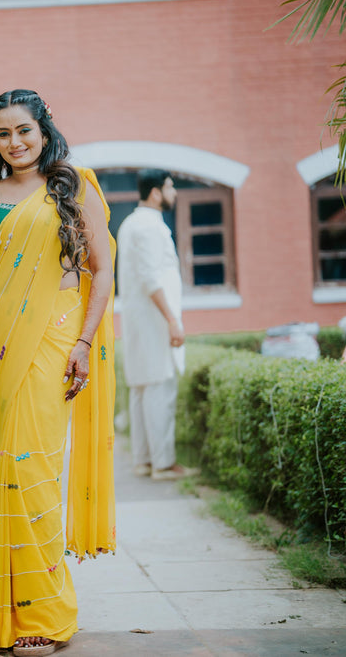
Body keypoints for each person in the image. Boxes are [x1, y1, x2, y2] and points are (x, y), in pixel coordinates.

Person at [0, 89, 116, 656]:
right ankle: (15, 611)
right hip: (1, 342)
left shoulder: (72, 185)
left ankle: (45, 612)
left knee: (35, 464)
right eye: (2, 134)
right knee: (12, 463)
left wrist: (85, 342)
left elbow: (101, 268)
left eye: (24, 130)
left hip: (57, 336)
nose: (14, 142)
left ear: (43, 131)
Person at [116, 169, 196, 481]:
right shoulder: (149, 227)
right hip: (154, 320)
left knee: (140, 388)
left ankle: (144, 461)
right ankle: (163, 464)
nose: (174, 193)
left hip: (140, 321)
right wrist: (173, 320)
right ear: (156, 193)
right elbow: (151, 278)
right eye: (170, 187)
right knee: (160, 387)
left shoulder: (131, 224)